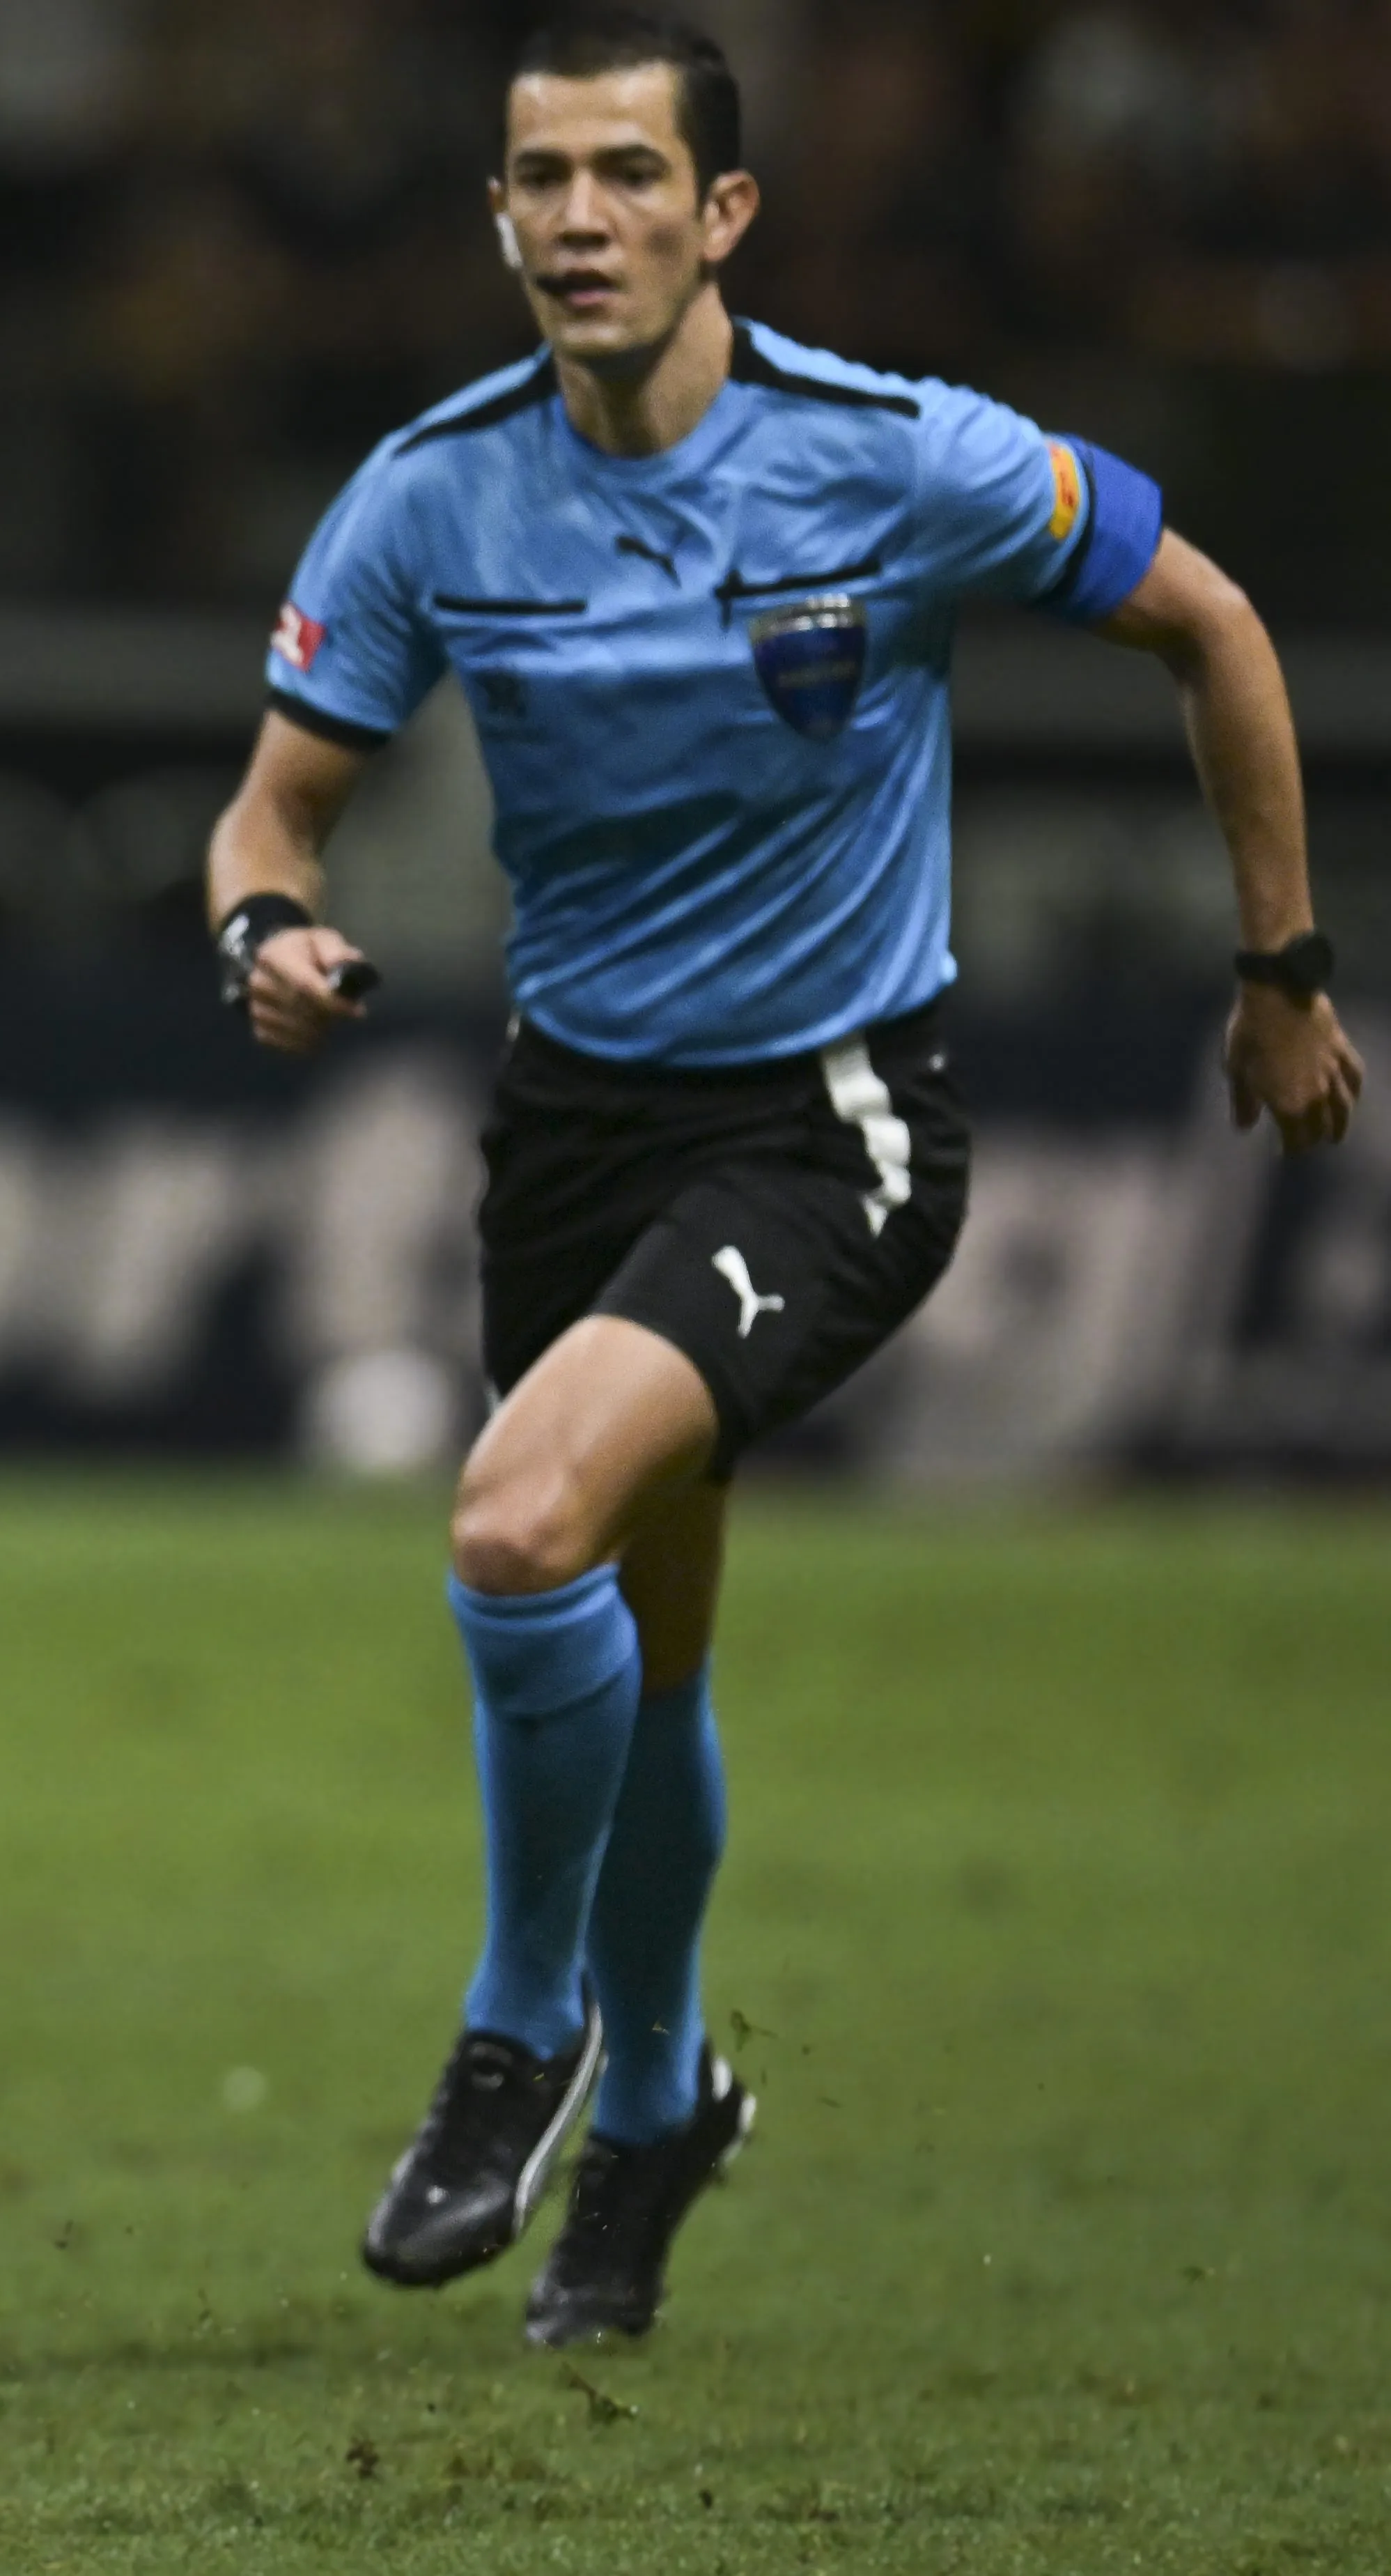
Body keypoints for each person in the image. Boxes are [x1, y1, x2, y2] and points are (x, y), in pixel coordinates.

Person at [206, 9, 1360, 2351]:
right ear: (497, 216)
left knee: (515, 1528)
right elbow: (269, 811)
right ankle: (659, 2109)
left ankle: (522, 2031)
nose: (582, 219)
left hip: (829, 1120)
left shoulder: (895, 459)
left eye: (629, 174)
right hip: (573, 1128)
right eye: (542, 179)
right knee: (643, 1651)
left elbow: (1214, 624)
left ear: (722, 212)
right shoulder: (430, 495)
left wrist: (1280, 970)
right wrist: (263, 933)